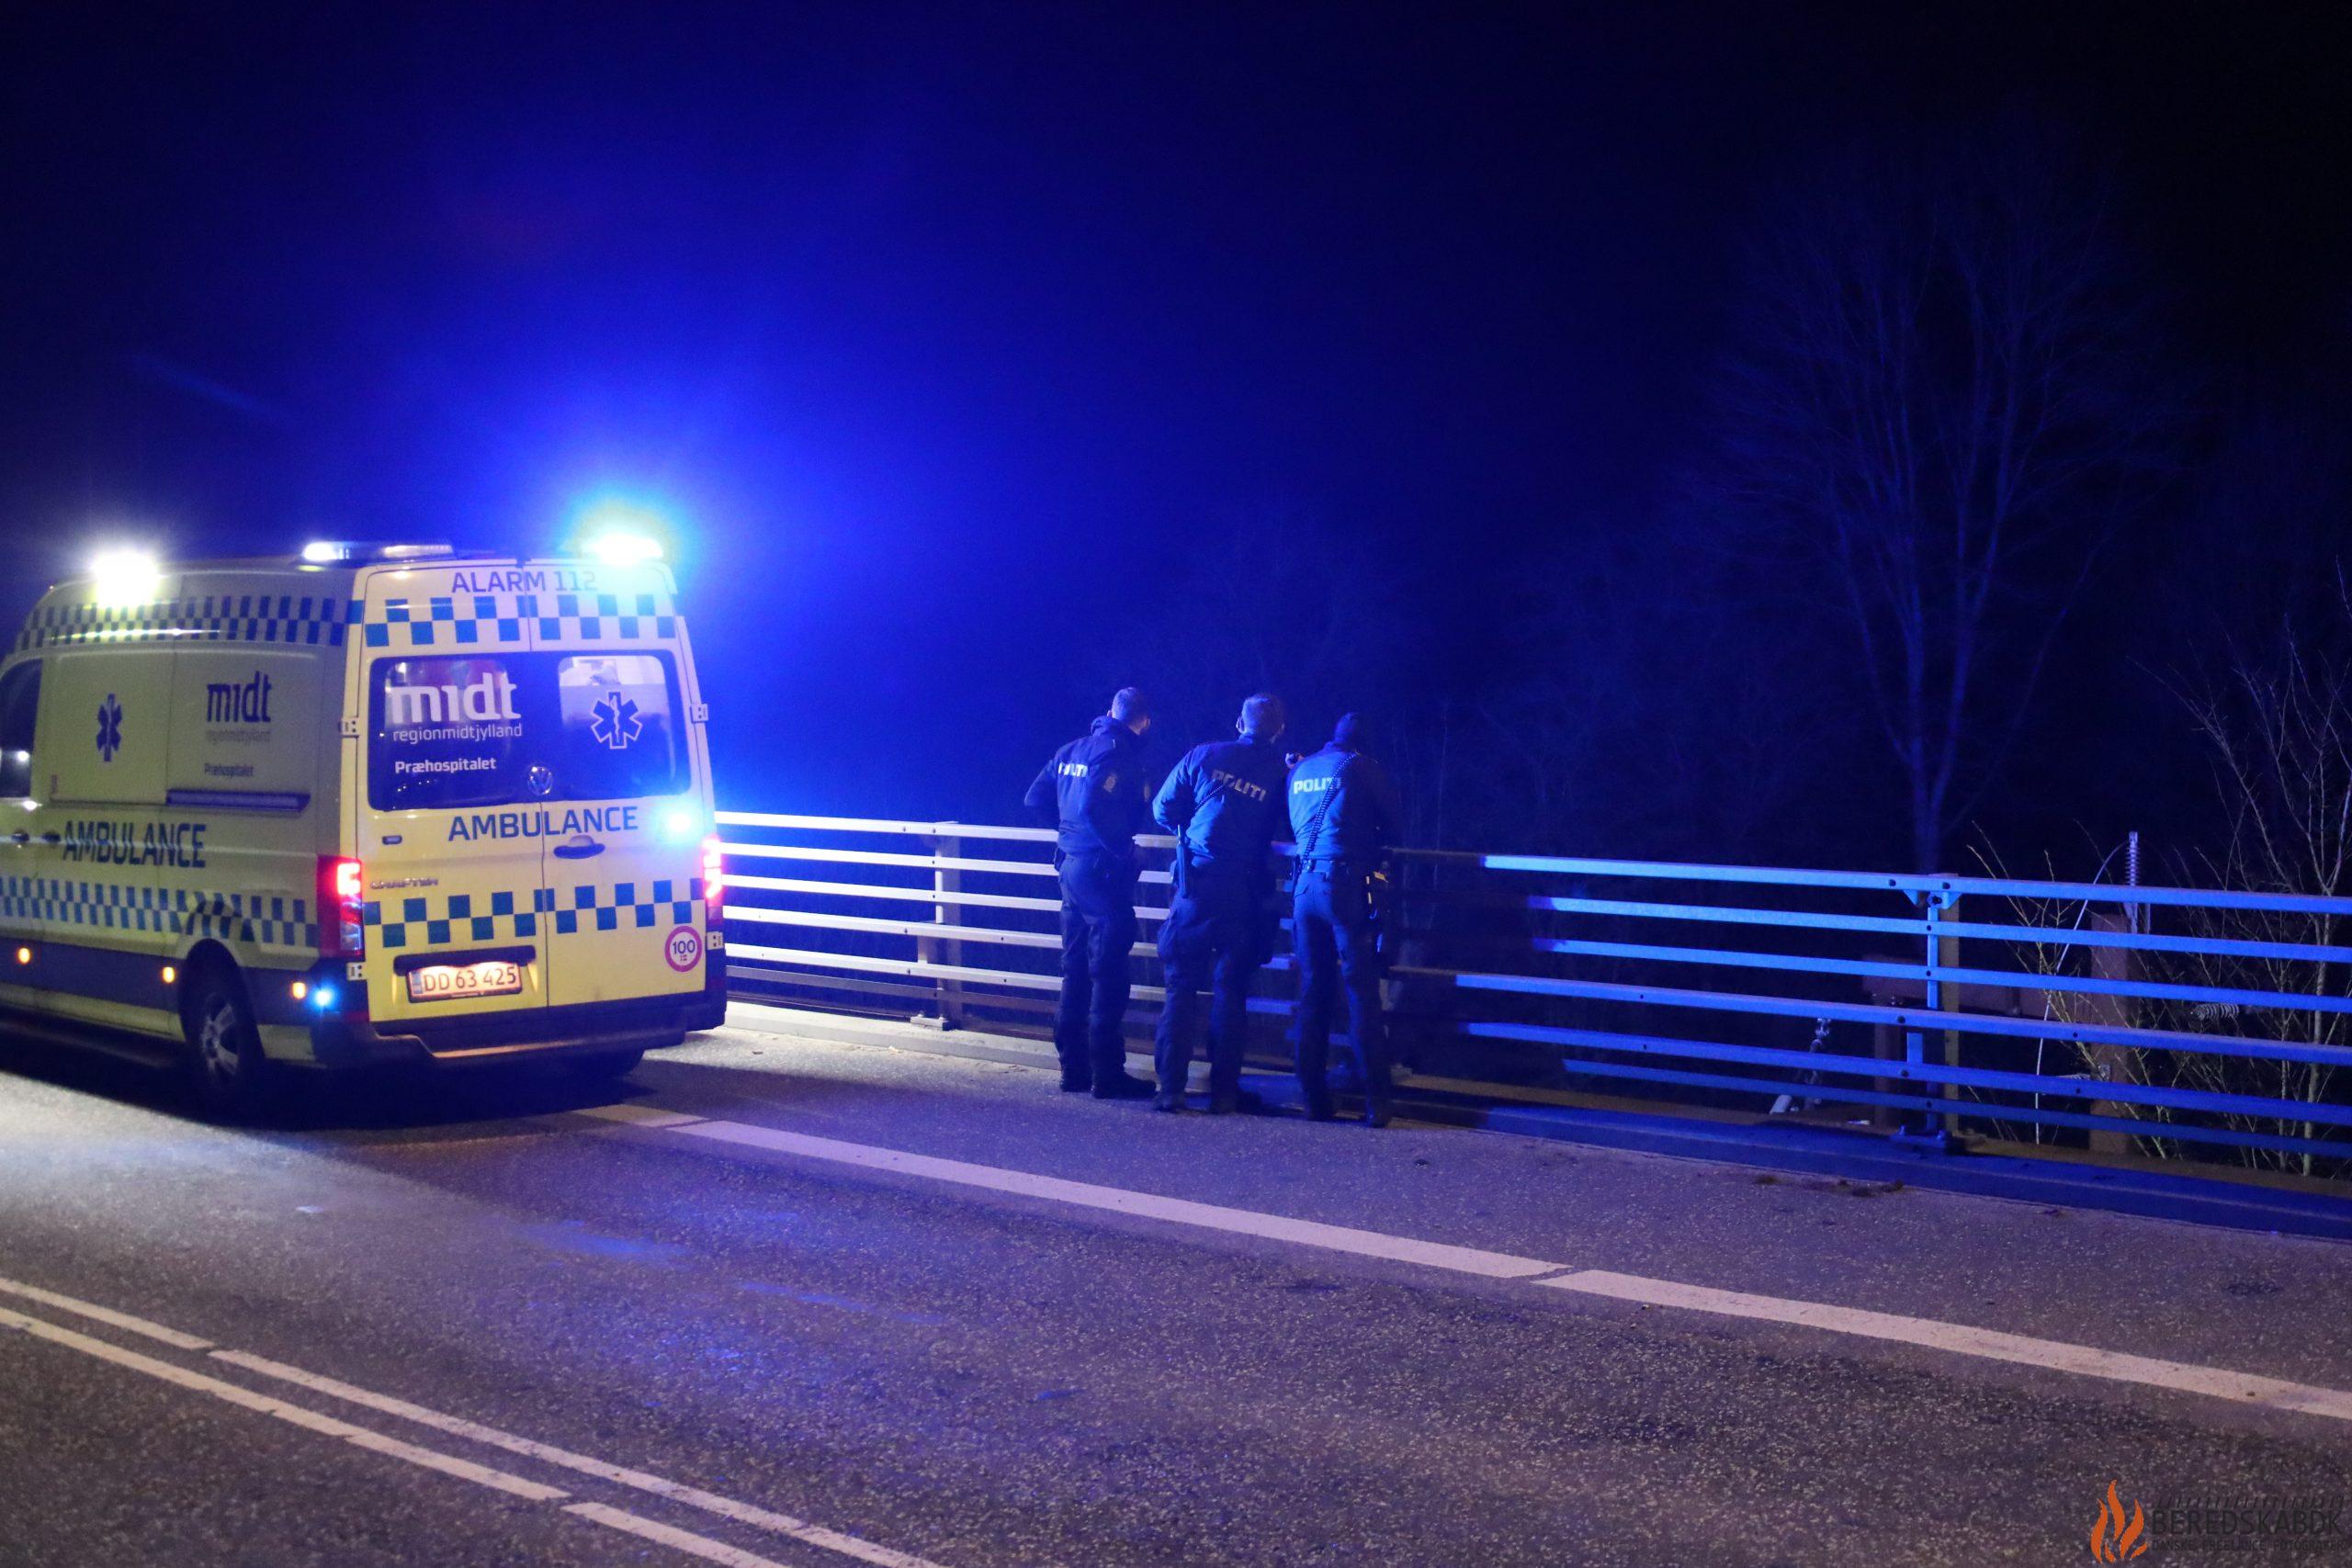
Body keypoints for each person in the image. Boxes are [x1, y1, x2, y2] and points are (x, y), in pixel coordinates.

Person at [1150, 694, 1290, 1113]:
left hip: (1196, 885)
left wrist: (1190, 831)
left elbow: (1163, 808)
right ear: (1278, 731)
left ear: (1239, 723)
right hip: (1245, 894)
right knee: (1230, 991)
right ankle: (1224, 1092)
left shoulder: (1204, 755)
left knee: (1181, 986)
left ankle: (1170, 1089)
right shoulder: (1280, 774)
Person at [1024, 688, 1157, 1099]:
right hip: (1101, 872)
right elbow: (1096, 810)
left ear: (1108, 712)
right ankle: (1107, 1076)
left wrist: (1068, 838)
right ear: (1145, 721)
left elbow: (1034, 799)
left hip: (1069, 868)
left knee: (1075, 970)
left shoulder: (1071, 749)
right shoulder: (1119, 755)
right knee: (1109, 974)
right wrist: (1124, 849)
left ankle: (1073, 1071)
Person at [1286, 712, 1405, 1125]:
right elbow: (1395, 825)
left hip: (1303, 887)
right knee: (1360, 993)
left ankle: (1313, 1099)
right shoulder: (1362, 767)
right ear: (1362, 743)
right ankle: (1377, 1103)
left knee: (1312, 993)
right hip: (1346, 886)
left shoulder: (1300, 768)